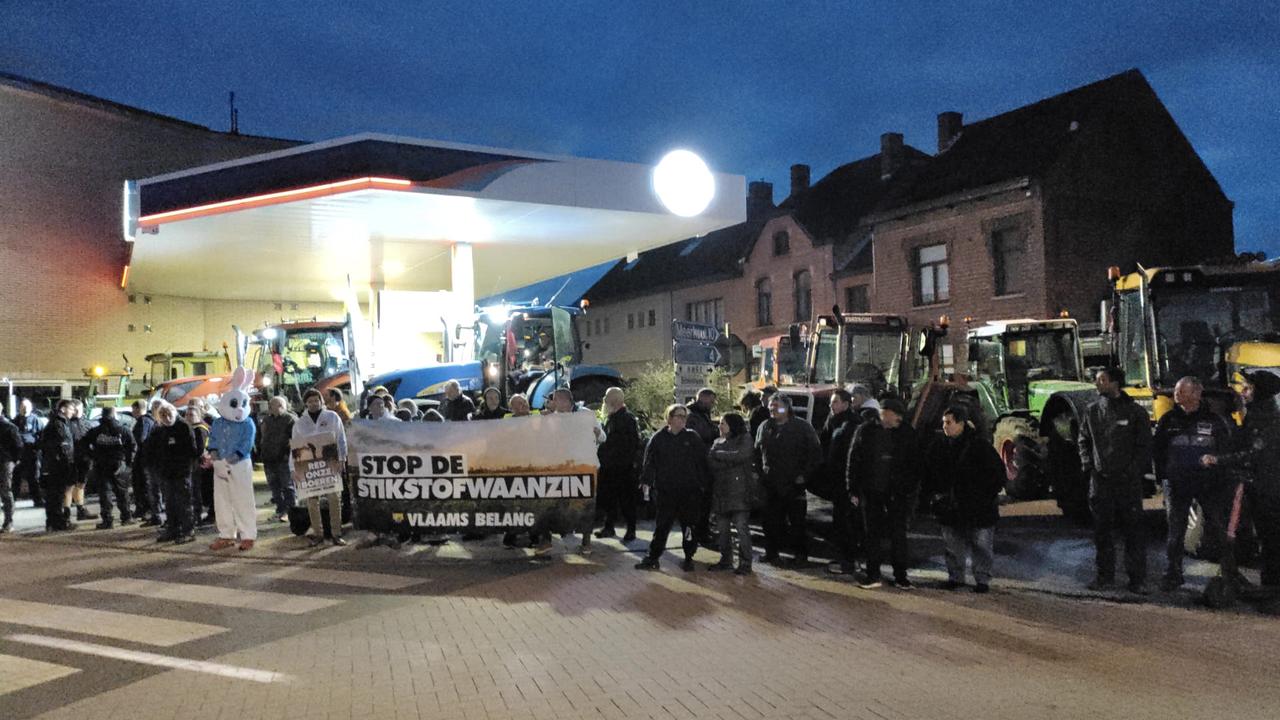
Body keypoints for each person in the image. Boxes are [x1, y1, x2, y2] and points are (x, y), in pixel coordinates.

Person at [1152, 376, 1234, 591]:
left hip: (1208, 485)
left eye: (1182, 391)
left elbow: (1225, 451)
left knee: (1218, 528)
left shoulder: (1214, 422)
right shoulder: (1168, 420)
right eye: (1177, 391)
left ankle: (1229, 573)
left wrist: (1220, 478)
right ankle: (1173, 574)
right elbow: (1157, 450)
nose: (1176, 395)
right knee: (1175, 532)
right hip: (1178, 485)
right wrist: (1163, 478)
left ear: (1197, 394)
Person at [1077, 367, 1152, 594]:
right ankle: (1104, 577)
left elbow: (1144, 446)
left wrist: (1134, 471)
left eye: (1102, 380)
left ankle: (1137, 580)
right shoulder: (1092, 412)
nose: (1098, 384)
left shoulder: (1135, 412)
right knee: (1102, 532)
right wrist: (1089, 466)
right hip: (1101, 483)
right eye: (1097, 380)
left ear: (1115, 383)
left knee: (1133, 531)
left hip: (1128, 483)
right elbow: (1083, 440)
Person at [1203, 370, 1280, 588]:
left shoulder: (1267, 420)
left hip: (1268, 489)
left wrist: (1219, 460)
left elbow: (1255, 454)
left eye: (1248, 388)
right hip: (1258, 486)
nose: (1243, 392)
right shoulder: (1255, 415)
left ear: (1259, 391)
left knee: (1271, 539)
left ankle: (1272, 587)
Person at [847, 397, 923, 589]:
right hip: (872, 492)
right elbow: (854, 459)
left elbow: (916, 465)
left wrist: (909, 489)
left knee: (898, 534)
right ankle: (873, 574)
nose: (892, 418)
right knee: (872, 534)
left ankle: (901, 577)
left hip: (897, 494)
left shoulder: (908, 433)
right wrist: (853, 488)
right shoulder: (866, 430)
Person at [926, 405, 1004, 593]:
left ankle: (982, 580)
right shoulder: (939, 446)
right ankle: (956, 577)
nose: (945, 427)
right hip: (952, 507)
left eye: (948, 423)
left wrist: (984, 496)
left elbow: (997, 474)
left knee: (981, 544)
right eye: (944, 423)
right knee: (953, 544)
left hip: (978, 507)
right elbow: (929, 471)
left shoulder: (979, 446)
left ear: (961, 424)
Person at [635, 404, 709, 572]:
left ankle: (689, 556)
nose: (682, 420)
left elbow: (702, 463)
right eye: (679, 416)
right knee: (662, 526)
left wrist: (702, 485)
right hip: (666, 490)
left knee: (689, 526)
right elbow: (649, 462)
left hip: (689, 491)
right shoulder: (659, 438)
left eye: (684, 416)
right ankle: (653, 557)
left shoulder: (692, 438)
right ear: (669, 418)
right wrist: (646, 482)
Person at [756, 393, 821, 565]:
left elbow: (815, 454)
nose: (773, 409)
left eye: (777, 406)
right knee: (770, 522)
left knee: (797, 522)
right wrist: (759, 473)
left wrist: (804, 475)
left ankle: (800, 555)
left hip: (794, 484)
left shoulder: (802, 427)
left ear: (787, 408)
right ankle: (772, 553)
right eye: (771, 406)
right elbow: (757, 452)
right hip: (770, 484)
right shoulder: (764, 426)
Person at [293, 388, 349, 546]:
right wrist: (294, 469)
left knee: (334, 498)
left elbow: (341, 439)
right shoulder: (300, 423)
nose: (313, 404)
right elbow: (295, 447)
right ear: (305, 403)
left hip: (330, 463)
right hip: (308, 466)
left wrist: (342, 459)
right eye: (310, 401)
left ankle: (336, 534)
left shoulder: (332, 417)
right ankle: (318, 534)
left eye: (316, 400)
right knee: (312, 500)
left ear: (321, 401)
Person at [821, 389, 864, 575]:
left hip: (847, 481)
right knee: (839, 521)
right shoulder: (832, 420)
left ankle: (849, 561)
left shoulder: (853, 424)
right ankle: (842, 558)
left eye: (835, 402)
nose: (831, 405)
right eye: (831, 402)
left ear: (846, 404)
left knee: (848, 522)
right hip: (836, 481)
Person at [707, 412, 755, 574]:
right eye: (720, 423)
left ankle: (745, 562)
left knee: (742, 528)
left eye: (723, 423)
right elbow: (711, 462)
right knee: (723, 529)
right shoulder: (717, 441)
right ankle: (726, 559)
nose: (720, 426)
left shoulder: (744, 439)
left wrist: (720, 455)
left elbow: (742, 455)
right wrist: (729, 461)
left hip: (739, 491)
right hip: (721, 491)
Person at [147, 402, 197, 544]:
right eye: (163, 415)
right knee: (170, 503)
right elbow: (153, 450)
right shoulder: (160, 431)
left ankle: (188, 530)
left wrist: (187, 468)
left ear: (174, 413)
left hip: (181, 473)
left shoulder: (183, 427)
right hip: (166, 473)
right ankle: (173, 529)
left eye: (168, 414)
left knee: (184, 503)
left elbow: (191, 451)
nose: (166, 418)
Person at [595, 387, 641, 542]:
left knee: (627, 501)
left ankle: (631, 530)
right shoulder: (611, 418)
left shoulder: (627, 419)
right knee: (610, 500)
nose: (604, 402)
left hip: (623, 469)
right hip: (610, 468)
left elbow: (631, 445)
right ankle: (609, 527)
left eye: (607, 399)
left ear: (614, 401)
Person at [82, 406, 135, 529]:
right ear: (114, 415)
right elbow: (132, 446)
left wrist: (93, 456)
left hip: (101, 465)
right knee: (122, 492)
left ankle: (107, 520)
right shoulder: (124, 430)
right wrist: (128, 462)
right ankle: (126, 517)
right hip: (119, 465)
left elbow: (84, 444)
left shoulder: (95, 431)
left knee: (105, 493)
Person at [38, 399, 78, 531]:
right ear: (62, 409)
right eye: (71, 408)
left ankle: (52, 522)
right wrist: (68, 464)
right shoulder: (59, 425)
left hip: (52, 465)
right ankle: (58, 523)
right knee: (56, 495)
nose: (73, 411)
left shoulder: (54, 423)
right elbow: (63, 446)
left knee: (53, 496)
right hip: (58, 466)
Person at [258, 396, 297, 523]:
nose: (278, 407)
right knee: (274, 486)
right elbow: (262, 437)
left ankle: (290, 511)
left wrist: (288, 454)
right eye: (275, 405)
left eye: (280, 405)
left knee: (288, 486)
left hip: (283, 458)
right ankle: (280, 509)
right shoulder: (267, 420)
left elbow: (294, 439)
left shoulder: (290, 419)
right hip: (269, 458)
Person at [68, 399, 97, 521]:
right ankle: (73, 510)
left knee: (81, 484)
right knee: (71, 485)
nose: (74, 411)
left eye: (76, 409)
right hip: (72, 458)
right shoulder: (68, 424)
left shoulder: (87, 423)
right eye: (73, 409)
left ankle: (81, 509)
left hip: (85, 458)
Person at [129, 399, 156, 524]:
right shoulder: (150, 420)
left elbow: (140, 439)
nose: (132, 412)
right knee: (142, 485)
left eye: (133, 409)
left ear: (137, 409)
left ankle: (145, 509)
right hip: (145, 458)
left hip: (142, 459)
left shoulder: (143, 421)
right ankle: (142, 509)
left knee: (142, 485)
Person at [186, 404, 213, 526]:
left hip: (199, 465)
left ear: (199, 416)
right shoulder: (189, 428)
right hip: (193, 464)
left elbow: (200, 448)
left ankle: (198, 516)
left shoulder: (200, 429)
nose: (189, 417)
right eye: (187, 414)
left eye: (192, 415)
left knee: (198, 491)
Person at [14, 399, 43, 507]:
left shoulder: (36, 420)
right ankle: (12, 501)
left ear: (31, 408)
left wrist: (37, 448)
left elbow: (41, 435)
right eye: (23, 406)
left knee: (34, 478)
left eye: (27, 406)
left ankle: (38, 500)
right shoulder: (15, 420)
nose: (25, 408)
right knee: (15, 478)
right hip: (19, 454)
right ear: (19, 408)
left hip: (31, 453)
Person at [0, 411, 23, 532]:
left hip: (5, 461)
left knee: (5, 491)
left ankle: (8, 521)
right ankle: (8, 522)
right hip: (7, 461)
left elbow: (18, 446)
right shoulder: (10, 426)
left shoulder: (9, 427)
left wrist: (14, 460)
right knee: (6, 491)